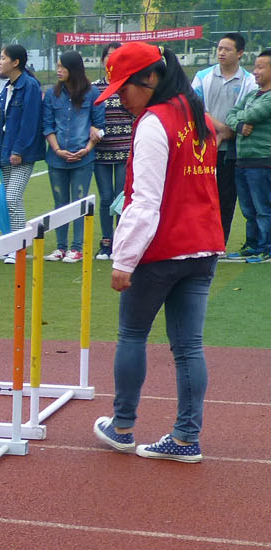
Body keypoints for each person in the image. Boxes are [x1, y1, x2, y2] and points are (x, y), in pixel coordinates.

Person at [90, 43, 221, 464]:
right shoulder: (195, 112)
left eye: (122, 89)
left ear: (148, 79)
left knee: (132, 335)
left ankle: (123, 426)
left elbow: (145, 202)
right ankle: (186, 438)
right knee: (189, 347)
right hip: (203, 244)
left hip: (161, 248)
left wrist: (123, 260)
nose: (120, 100)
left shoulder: (153, 123)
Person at [191, 33, 255, 245]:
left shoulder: (249, 82)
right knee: (201, 198)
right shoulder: (203, 76)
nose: (221, 52)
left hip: (234, 149)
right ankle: (200, 241)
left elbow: (249, 112)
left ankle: (219, 243)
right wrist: (220, 129)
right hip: (205, 146)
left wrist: (230, 131)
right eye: (219, 48)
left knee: (227, 199)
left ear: (240, 53)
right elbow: (195, 107)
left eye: (227, 49)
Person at [42, 51, 104, 262]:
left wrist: (87, 148)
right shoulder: (52, 94)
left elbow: (99, 125)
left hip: (83, 159)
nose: (58, 70)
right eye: (57, 66)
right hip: (56, 158)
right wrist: (57, 150)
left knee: (79, 202)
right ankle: (60, 247)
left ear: (74, 69)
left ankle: (77, 247)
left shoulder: (93, 93)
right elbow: (47, 125)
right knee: (60, 202)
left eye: (63, 67)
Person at [0, 44, 45, 262]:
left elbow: (30, 121)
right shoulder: (8, 86)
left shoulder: (30, 86)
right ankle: (11, 245)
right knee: (9, 201)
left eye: (3, 58)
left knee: (13, 198)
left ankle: (19, 247)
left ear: (16, 62)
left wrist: (19, 150)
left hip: (21, 152)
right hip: (6, 150)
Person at [224, 49, 271, 262]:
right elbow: (230, 115)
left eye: (261, 67)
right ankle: (252, 244)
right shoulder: (252, 95)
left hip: (262, 161)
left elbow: (253, 114)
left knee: (263, 208)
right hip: (243, 161)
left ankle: (266, 248)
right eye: (256, 67)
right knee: (248, 208)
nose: (255, 71)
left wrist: (239, 119)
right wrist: (240, 124)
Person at [91, 44, 133, 260]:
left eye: (117, 56)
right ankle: (106, 241)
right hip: (102, 153)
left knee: (122, 197)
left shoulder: (129, 86)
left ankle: (121, 241)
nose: (112, 59)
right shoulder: (94, 88)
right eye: (109, 55)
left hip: (125, 150)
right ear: (102, 60)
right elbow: (87, 115)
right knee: (106, 197)